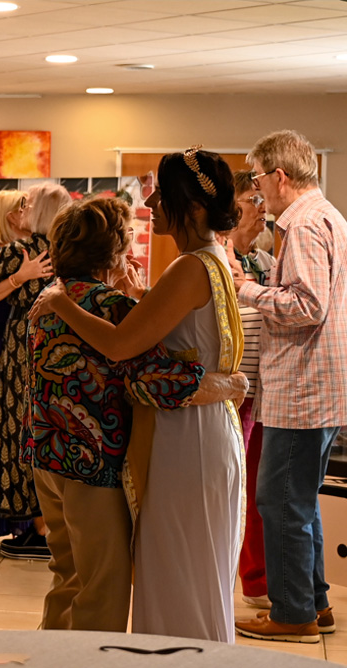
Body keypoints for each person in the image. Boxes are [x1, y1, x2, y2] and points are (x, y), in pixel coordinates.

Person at [30, 147, 244, 643]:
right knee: (157, 579)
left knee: (162, 576)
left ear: (193, 208)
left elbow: (127, 347)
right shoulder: (208, 261)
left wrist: (63, 302)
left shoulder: (188, 267)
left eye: (161, 195)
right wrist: (229, 384)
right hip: (155, 442)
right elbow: (152, 354)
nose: (149, 203)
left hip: (173, 442)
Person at [233, 130, 347, 644]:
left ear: (280, 176)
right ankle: (314, 602)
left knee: (279, 502)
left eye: (258, 179)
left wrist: (248, 289)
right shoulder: (328, 215)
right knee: (299, 501)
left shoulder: (300, 224)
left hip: (301, 387)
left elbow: (307, 305)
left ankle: (292, 613)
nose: (257, 192)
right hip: (320, 384)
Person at [0, 182, 71, 559]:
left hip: (15, 348)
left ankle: (35, 527)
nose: (22, 211)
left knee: (11, 437)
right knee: (34, 436)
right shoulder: (62, 251)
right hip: (48, 349)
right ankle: (40, 526)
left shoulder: (18, 251)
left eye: (28, 205)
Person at [222, 170, 274, 611]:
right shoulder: (213, 260)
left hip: (265, 391)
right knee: (229, 488)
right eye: (252, 201)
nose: (262, 209)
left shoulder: (267, 263)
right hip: (229, 390)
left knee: (258, 490)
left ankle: (257, 579)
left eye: (262, 201)